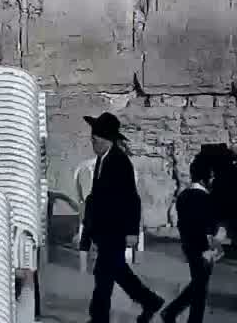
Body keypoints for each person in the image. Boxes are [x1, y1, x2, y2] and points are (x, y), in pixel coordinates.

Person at [81, 112, 164, 323]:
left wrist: (132, 232)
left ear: (106, 139)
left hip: (116, 229)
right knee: (117, 272)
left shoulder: (120, 162)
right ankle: (150, 301)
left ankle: (98, 318)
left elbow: (132, 199)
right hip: (104, 229)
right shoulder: (102, 159)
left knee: (104, 276)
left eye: (95, 140)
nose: (92, 143)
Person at [162, 152, 219, 323]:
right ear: (205, 178)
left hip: (189, 246)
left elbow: (185, 224)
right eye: (211, 177)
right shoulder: (204, 199)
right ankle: (177, 314)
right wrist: (207, 249)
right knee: (200, 288)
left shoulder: (184, 196)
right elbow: (204, 227)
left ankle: (172, 312)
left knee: (198, 285)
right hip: (202, 248)